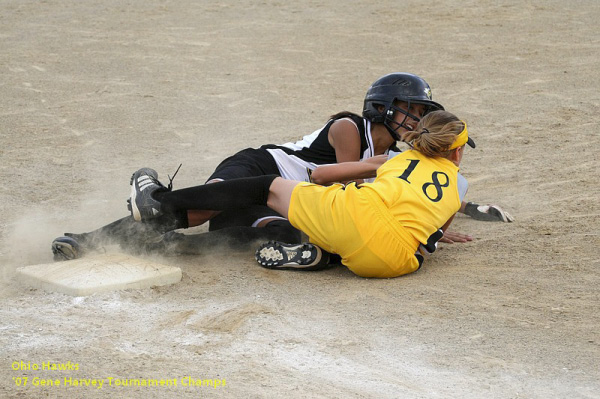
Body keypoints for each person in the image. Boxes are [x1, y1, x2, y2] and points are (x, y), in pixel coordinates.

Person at [51, 73, 510, 260]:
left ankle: (156, 242)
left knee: (256, 235)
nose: (415, 118)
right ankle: (95, 234)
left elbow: (408, 188)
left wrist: (447, 216)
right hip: (262, 168)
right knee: (196, 212)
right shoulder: (350, 128)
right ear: (383, 107)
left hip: (293, 200)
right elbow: (349, 190)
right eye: (409, 108)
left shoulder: (396, 157)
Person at [127, 110, 474, 278]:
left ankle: (159, 210)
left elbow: (328, 180)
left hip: (323, 208)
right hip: (394, 264)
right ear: (456, 152)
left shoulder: (395, 159)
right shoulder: (458, 187)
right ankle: (323, 257)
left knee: (271, 204)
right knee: (211, 208)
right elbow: (430, 240)